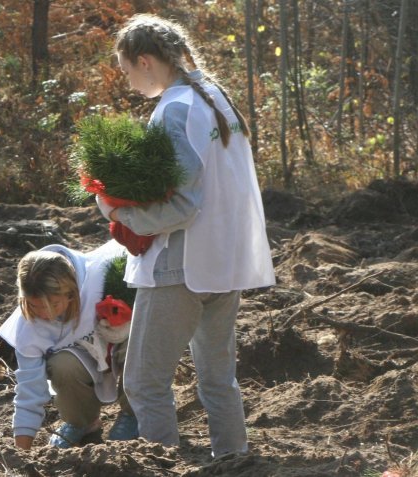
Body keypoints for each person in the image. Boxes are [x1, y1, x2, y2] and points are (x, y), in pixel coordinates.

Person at [97, 14, 276, 457]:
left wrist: (118, 210)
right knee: (218, 380)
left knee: (144, 382)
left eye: (126, 71)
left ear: (145, 61)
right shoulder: (215, 97)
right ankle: (234, 462)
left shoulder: (176, 109)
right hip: (225, 263)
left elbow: (182, 205)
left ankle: (162, 467)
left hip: (181, 267)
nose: (129, 82)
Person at [0, 239, 138, 449]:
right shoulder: (27, 327)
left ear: (71, 292)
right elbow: (29, 388)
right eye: (36, 306)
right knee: (62, 364)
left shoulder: (102, 274)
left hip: (122, 343)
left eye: (54, 304)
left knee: (138, 344)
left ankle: (134, 413)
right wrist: (21, 453)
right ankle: (81, 421)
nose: (46, 314)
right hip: (86, 357)